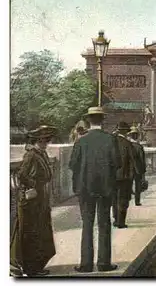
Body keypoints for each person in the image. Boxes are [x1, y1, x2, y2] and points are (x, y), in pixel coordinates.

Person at [69, 107, 121, 273]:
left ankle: (86, 264)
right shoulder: (111, 139)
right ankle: (104, 263)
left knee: (87, 224)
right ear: (102, 120)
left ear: (89, 121)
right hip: (105, 187)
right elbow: (117, 163)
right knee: (104, 224)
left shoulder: (81, 141)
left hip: (85, 188)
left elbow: (72, 165)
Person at [10, 125, 58, 277]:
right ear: (36, 141)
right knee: (31, 233)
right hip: (31, 200)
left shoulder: (40, 153)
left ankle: (35, 266)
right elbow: (22, 175)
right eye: (43, 141)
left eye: (47, 141)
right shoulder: (31, 155)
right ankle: (30, 268)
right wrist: (33, 186)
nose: (46, 143)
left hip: (40, 199)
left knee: (39, 231)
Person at [111, 122, 136, 228]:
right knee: (123, 199)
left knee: (114, 199)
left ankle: (116, 219)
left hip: (112, 176)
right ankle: (121, 222)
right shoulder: (127, 144)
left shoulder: (112, 142)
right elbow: (133, 160)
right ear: (126, 132)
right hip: (125, 177)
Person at [128, 126, 146, 206]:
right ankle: (137, 201)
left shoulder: (127, 146)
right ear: (137, 136)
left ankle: (127, 200)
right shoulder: (139, 147)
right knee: (138, 186)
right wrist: (143, 172)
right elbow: (142, 160)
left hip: (128, 169)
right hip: (138, 169)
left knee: (128, 185)